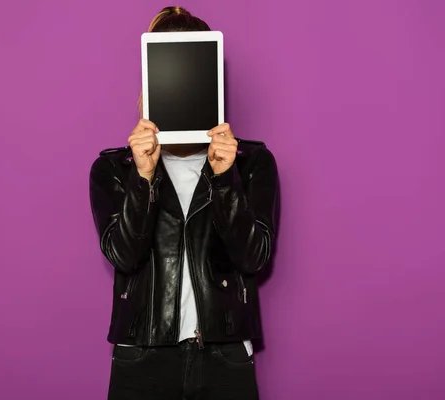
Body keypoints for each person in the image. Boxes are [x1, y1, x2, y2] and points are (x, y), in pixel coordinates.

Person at [89, 6, 278, 400]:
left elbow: (254, 257)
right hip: (142, 357)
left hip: (225, 356)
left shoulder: (251, 163)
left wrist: (226, 180)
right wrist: (143, 177)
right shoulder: (113, 169)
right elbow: (123, 256)